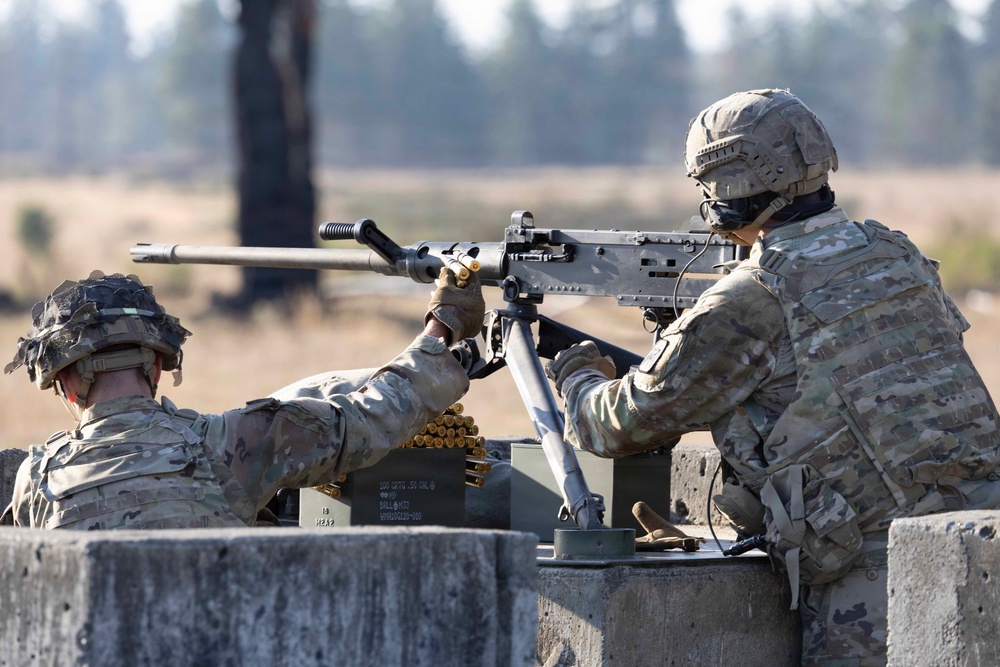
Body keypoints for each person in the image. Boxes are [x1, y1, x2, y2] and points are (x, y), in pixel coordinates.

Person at [545, 88, 1000, 666]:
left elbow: (612, 429)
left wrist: (578, 372)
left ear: (722, 192)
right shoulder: (895, 253)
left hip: (878, 596)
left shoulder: (752, 298)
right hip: (981, 546)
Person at [1, 268, 484, 530]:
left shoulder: (35, 479)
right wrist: (442, 324)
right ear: (155, 367)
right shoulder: (233, 444)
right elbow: (374, 416)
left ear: (65, 383)